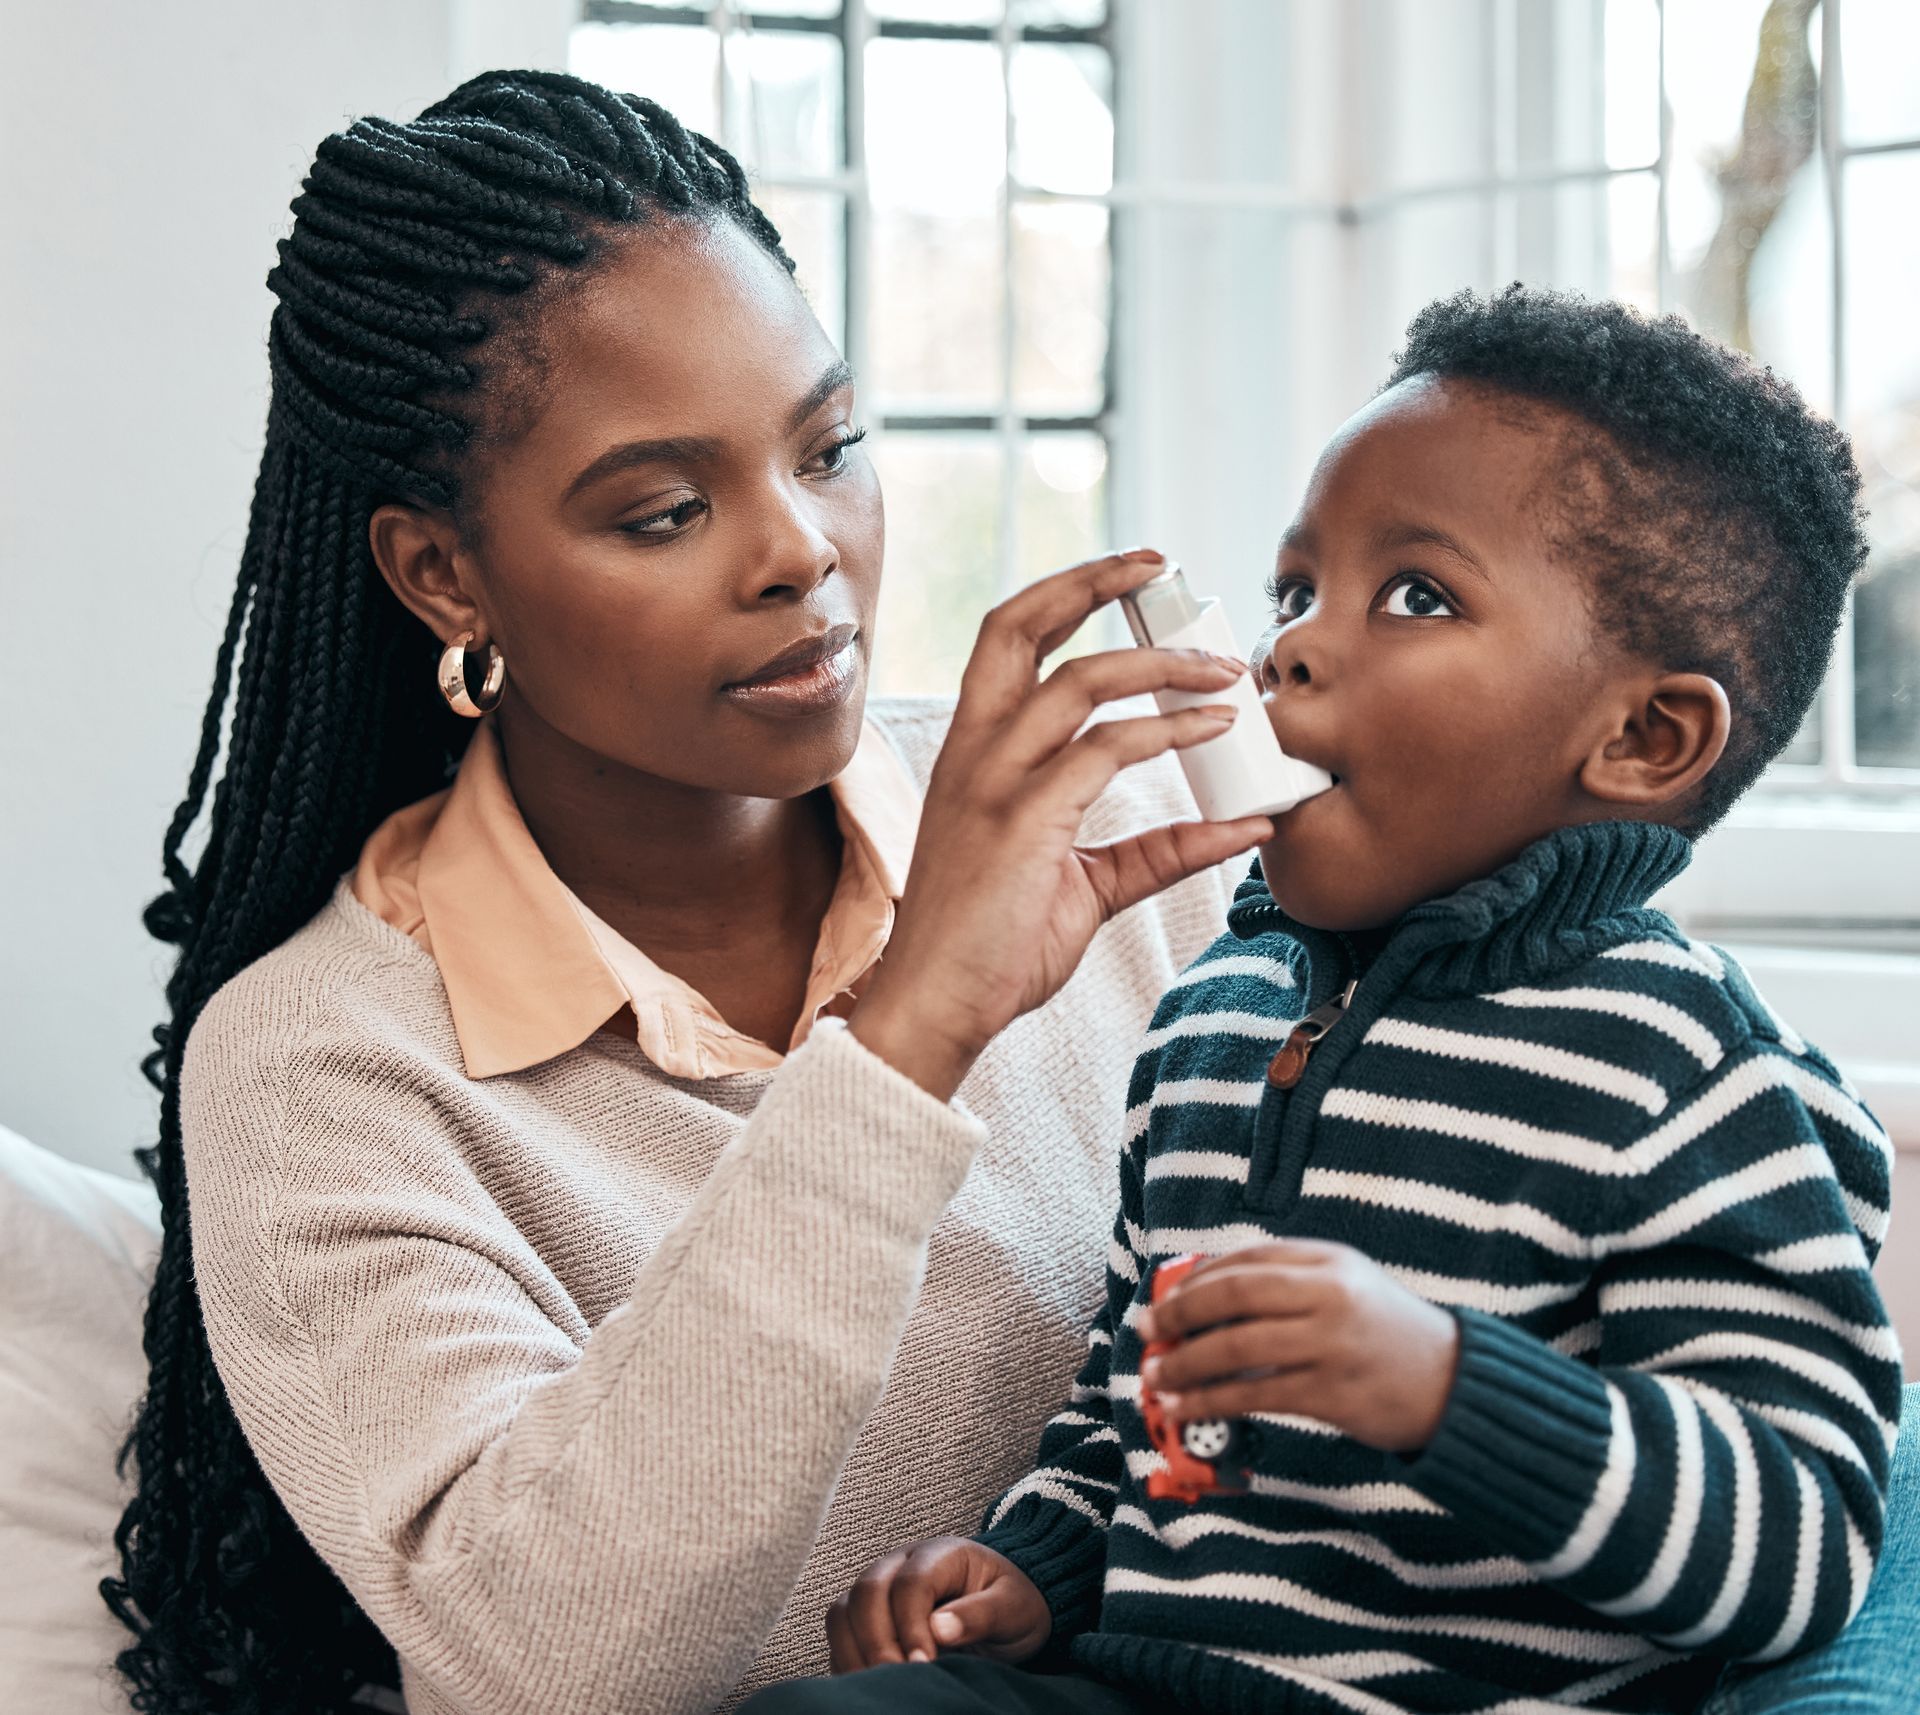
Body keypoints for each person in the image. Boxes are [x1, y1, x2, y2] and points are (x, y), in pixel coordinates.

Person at [100, 72, 1282, 1715]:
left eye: (832, 447)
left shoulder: (1125, 820)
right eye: (665, 511)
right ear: (443, 574)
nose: (801, 550)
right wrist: (907, 1040)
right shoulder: (321, 1070)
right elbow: (555, 1665)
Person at [770, 288, 1904, 1715]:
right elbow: (1143, 1415)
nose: (1289, 650)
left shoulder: (1689, 1072)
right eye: (1294, 592)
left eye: (1416, 597)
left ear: (1643, 737)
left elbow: (1795, 1544)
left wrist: (1447, 1387)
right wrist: (1035, 1570)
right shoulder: (1214, 1016)